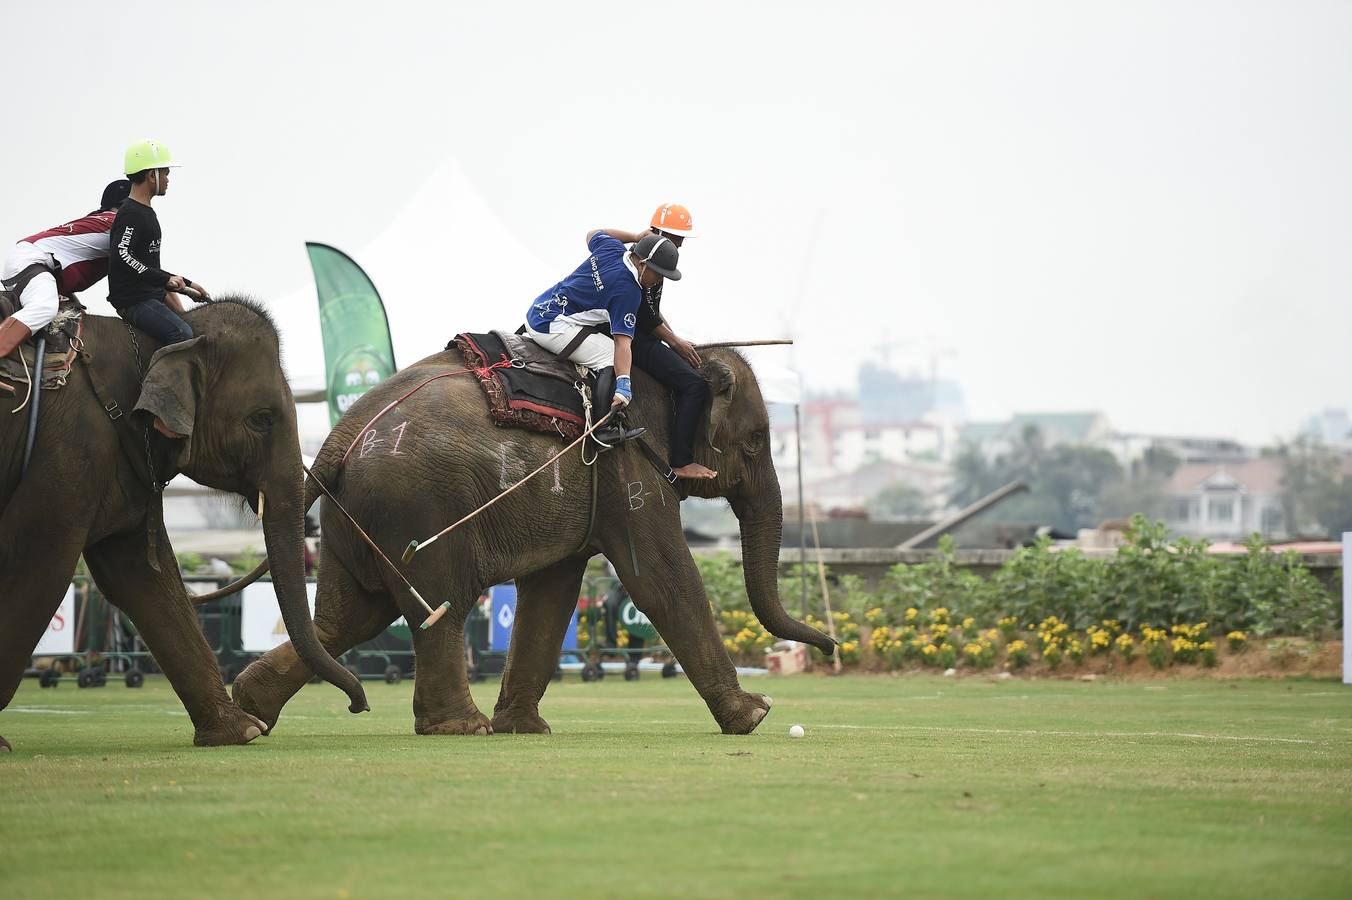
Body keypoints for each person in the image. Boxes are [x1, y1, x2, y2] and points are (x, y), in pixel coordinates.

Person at [524, 229, 680, 446]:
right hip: (551, 326)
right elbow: (622, 342)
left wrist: (635, 237)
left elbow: (592, 233)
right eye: (658, 273)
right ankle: (602, 429)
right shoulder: (629, 292)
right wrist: (624, 384)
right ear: (643, 264)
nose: (659, 280)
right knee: (609, 355)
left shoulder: (612, 248)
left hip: (539, 308)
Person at [0, 179, 134, 359]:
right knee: (44, 307)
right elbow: (147, 273)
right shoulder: (118, 225)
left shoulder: (101, 221)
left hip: (31, 261)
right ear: (127, 205)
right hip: (33, 262)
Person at [633, 204, 716, 480]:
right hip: (632, 337)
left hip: (643, 332)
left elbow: (652, 308)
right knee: (694, 385)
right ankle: (681, 460)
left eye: (680, 240)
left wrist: (675, 337)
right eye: (673, 237)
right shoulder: (645, 257)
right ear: (655, 231)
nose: (678, 245)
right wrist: (674, 343)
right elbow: (643, 314)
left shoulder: (657, 255)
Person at [107, 139, 211, 345]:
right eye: (165, 173)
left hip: (149, 294)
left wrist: (188, 283)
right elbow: (122, 254)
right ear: (151, 176)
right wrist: (165, 281)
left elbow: (148, 265)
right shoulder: (131, 213)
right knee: (182, 333)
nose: (167, 179)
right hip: (134, 300)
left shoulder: (144, 211)